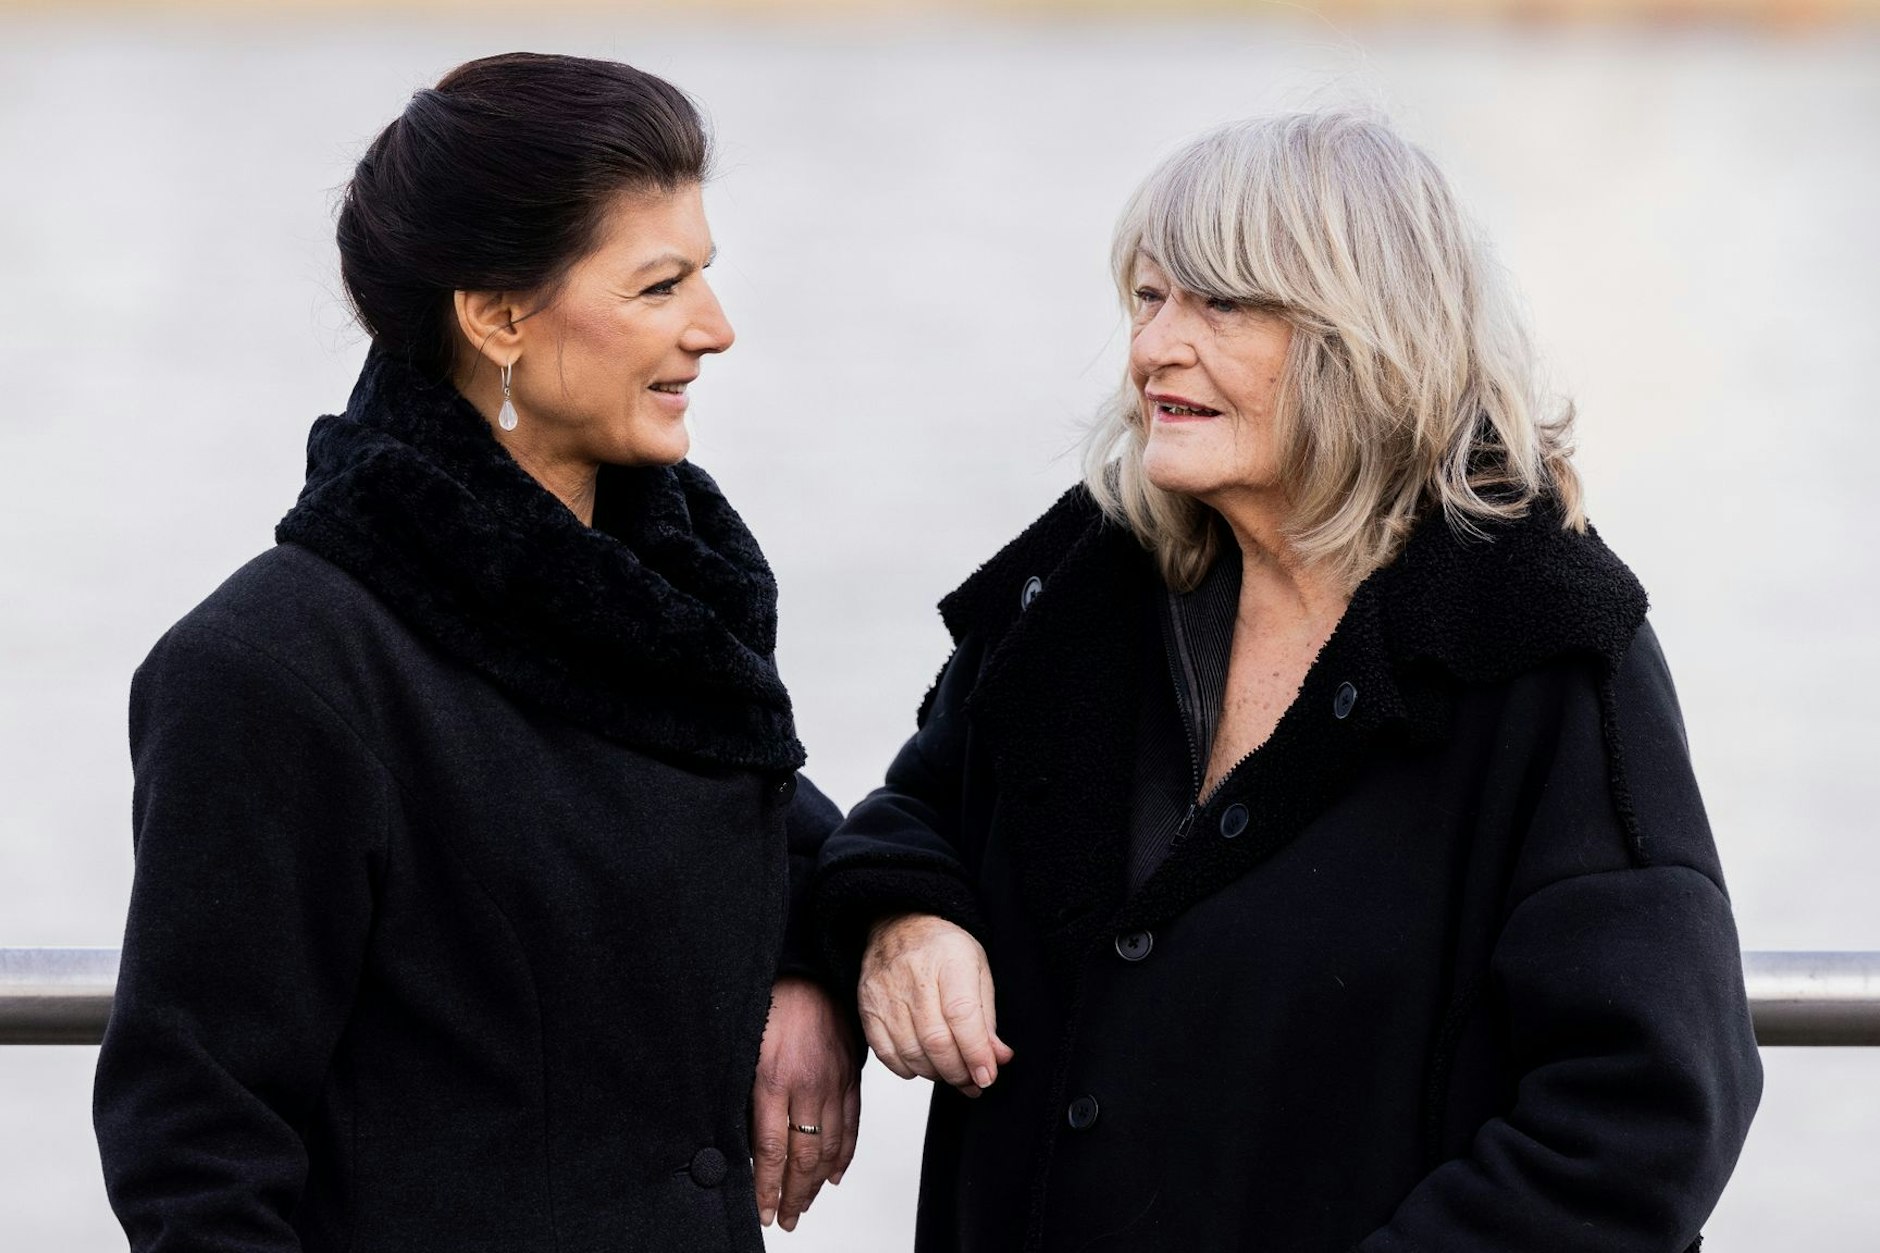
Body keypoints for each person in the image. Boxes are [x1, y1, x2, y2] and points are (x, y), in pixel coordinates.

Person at [816, 112, 1762, 1252]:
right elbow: (914, 809)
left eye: (1215, 304)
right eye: (1146, 299)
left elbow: (1642, 1115)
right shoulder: (1083, 580)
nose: (1151, 349)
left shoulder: (1543, 641)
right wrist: (908, 918)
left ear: (1364, 333)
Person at [93, 53, 856, 1252]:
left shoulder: (662, 611)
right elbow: (196, 1151)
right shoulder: (273, 668)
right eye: (660, 286)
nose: (714, 328)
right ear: (497, 314)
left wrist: (824, 960)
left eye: (705, 273)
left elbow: (792, 833)